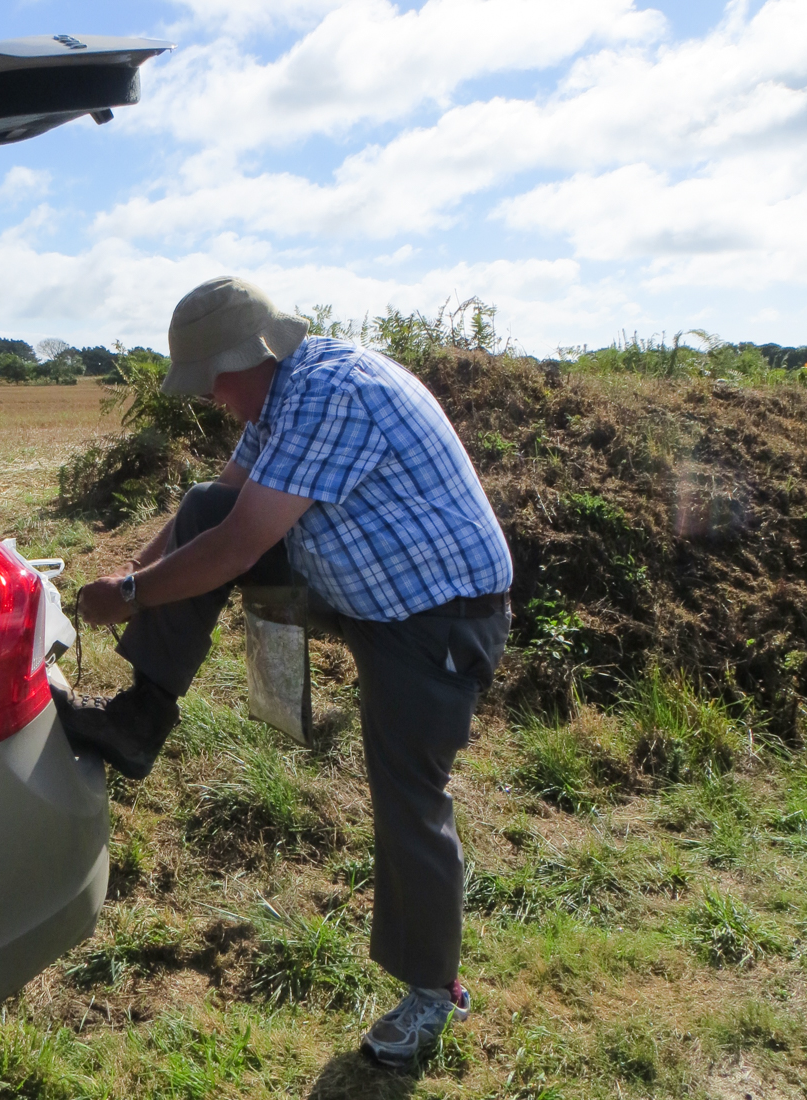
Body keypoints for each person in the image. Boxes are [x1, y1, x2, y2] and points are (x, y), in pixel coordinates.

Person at [52, 275, 513, 1066]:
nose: (211, 399)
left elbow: (239, 547)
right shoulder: (283, 393)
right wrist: (135, 571)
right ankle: (140, 718)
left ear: (247, 360)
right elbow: (221, 503)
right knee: (205, 506)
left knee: (409, 795)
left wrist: (128, 598)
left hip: (436, 619)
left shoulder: (332, 395)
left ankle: (435, 993)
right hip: (369, 593)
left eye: (212, 382)